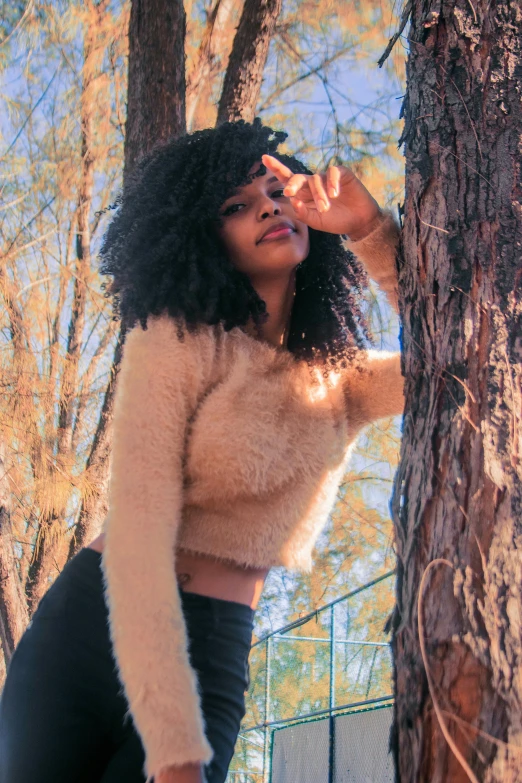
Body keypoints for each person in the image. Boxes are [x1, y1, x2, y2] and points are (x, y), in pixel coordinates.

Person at [0, 119, 404, 783]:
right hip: (93, 629)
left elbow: (463, 359)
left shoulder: (342, 378)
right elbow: (137, 538)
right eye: (236, 206)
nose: (269, 206)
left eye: (278, 190)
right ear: (203, 236)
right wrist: (175, 747)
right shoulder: (175, 341)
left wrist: (367, 229)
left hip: (216, 643)